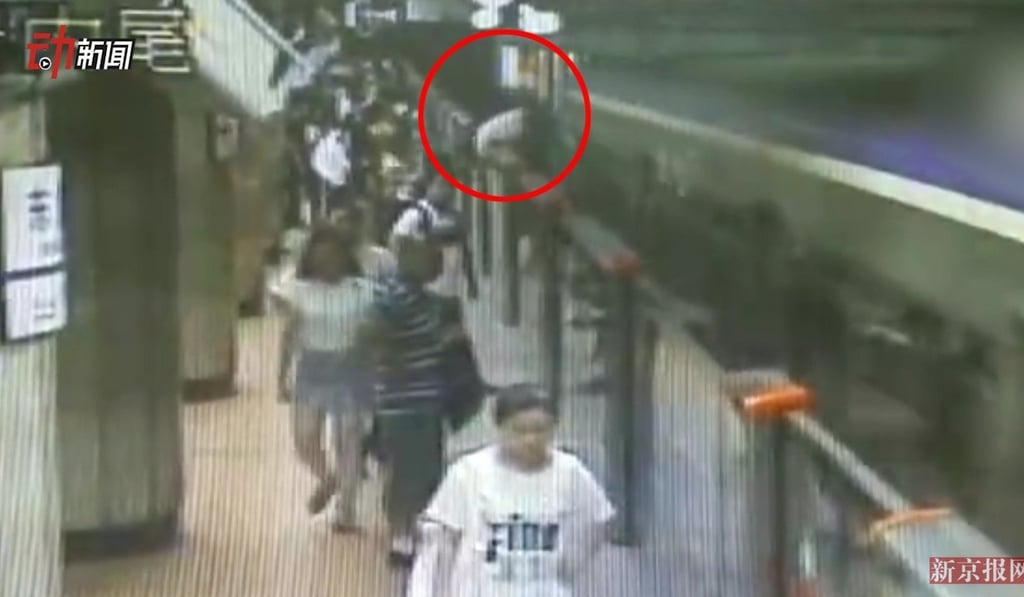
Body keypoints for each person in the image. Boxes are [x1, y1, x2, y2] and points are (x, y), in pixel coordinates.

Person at [409, 385, 615, 597]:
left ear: (554, 428)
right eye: (520, 430)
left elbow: (599, 521)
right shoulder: (468, 472)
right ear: (500, 428)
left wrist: (568, 563)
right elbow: (438, 544)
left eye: (540, 429)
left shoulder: (570, 471)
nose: (531, 439)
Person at [357, 225, 456, 563]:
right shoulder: (392, 296)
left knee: (415, 468)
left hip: (418, 396)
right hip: (404, 397)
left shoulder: (427, 299)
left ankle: (410, 530)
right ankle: (403, 533)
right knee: (410, 468)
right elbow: (369, 336)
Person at [271, 225, 376, 532]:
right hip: (312, 369)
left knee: (349, 440)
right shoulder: (296, 290)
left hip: (352, 369)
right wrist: (281, 378)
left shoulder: (363, 290)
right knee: (304, 439)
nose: (328, 262)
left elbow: (373, 335)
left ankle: (347, 511)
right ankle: (327, 477)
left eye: (334, 255)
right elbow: (288, 335)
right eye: (321, 256)